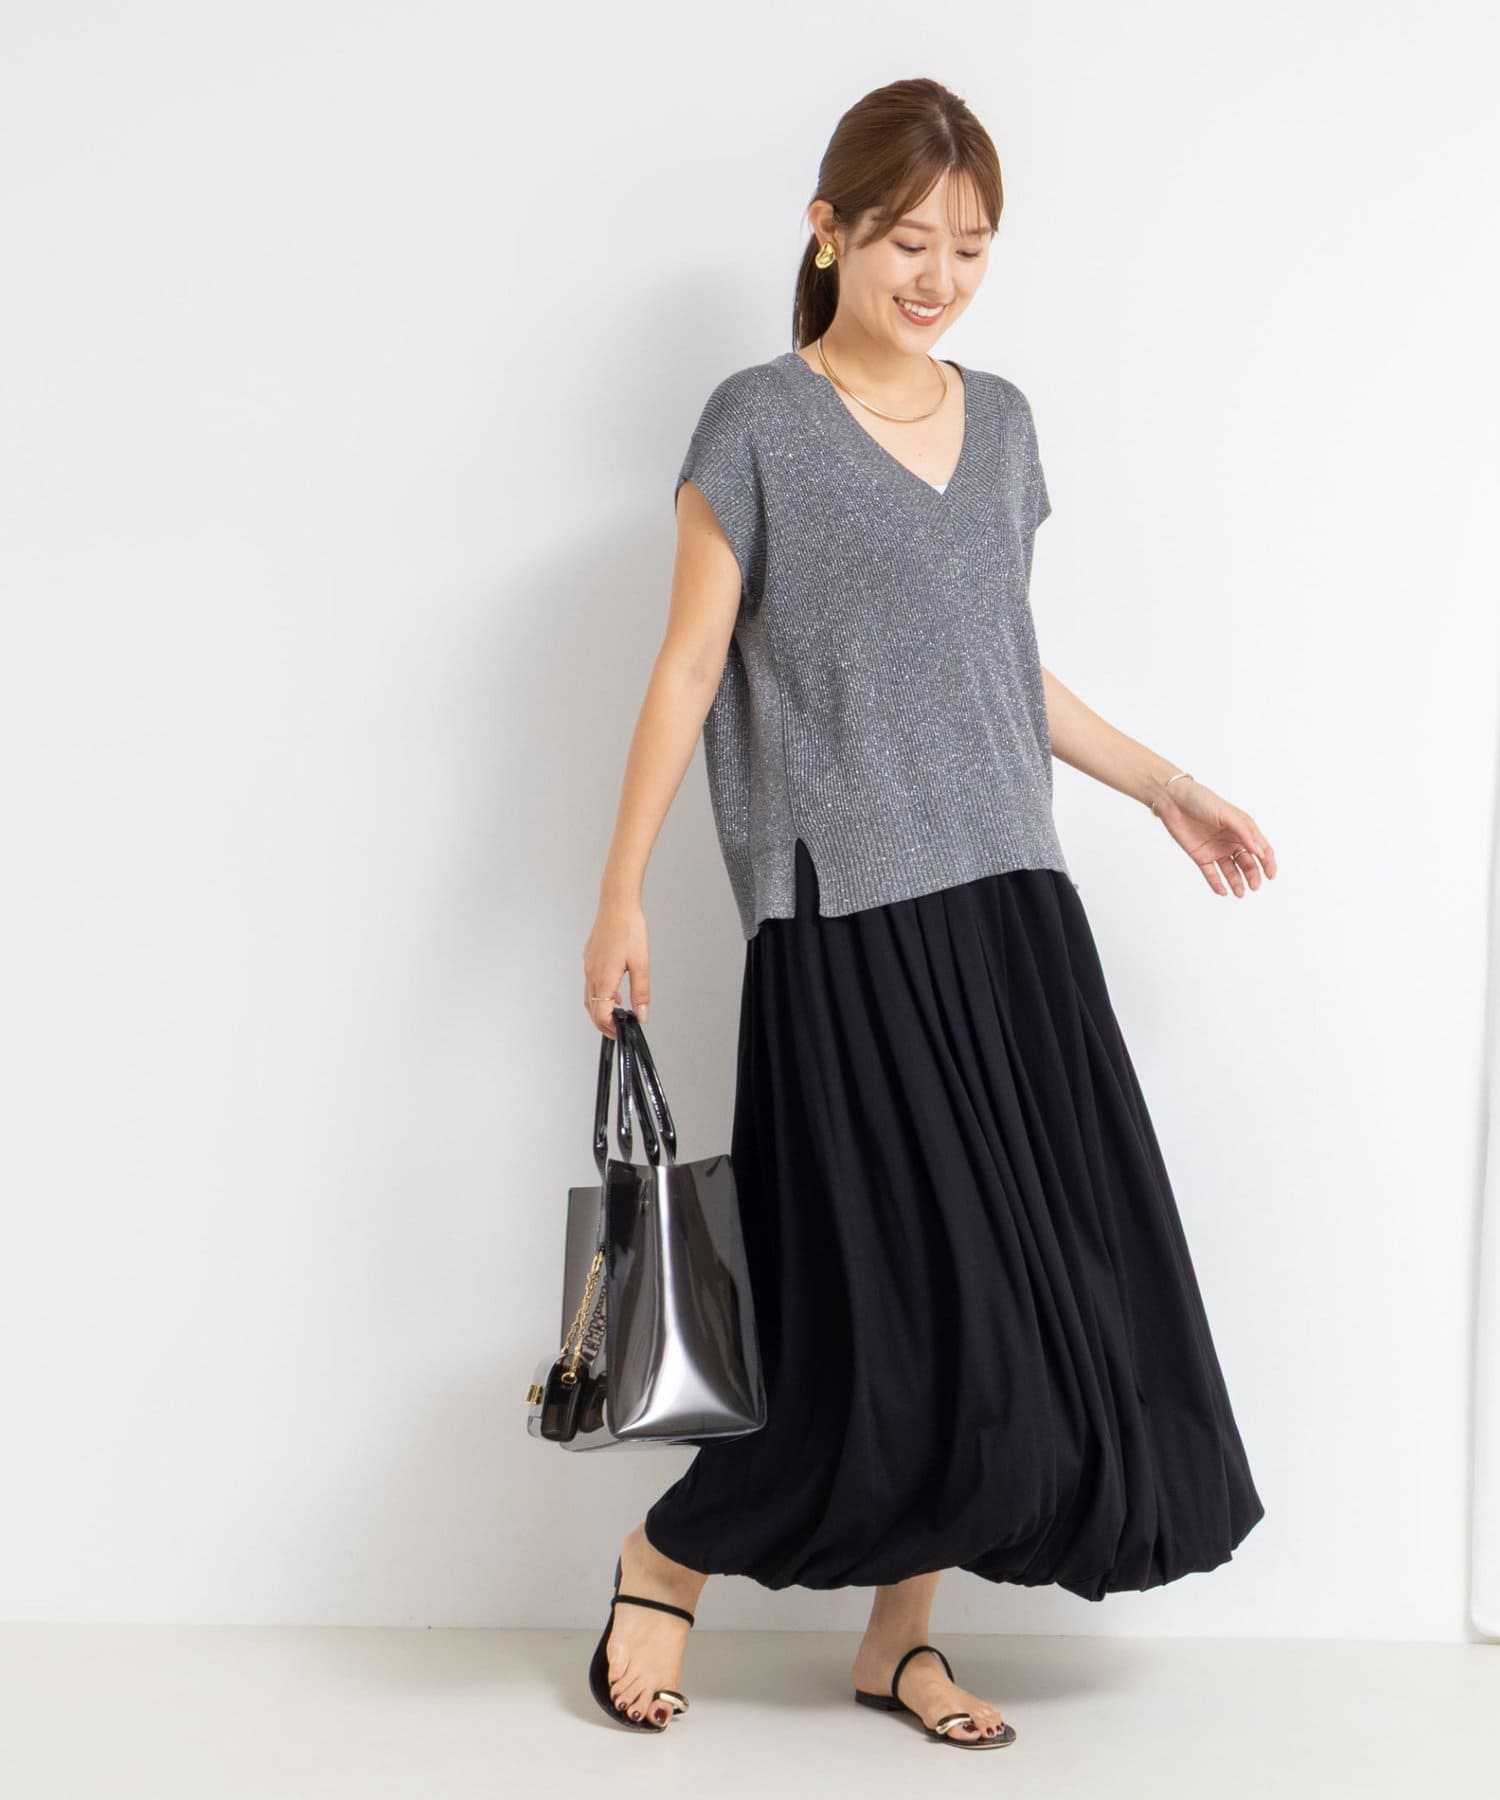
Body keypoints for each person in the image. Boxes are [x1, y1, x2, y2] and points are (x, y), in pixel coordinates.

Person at [580, 76, 1270, 1747]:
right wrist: (617, 893)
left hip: (1013, 905)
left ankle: (900, 1642)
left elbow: (997, 664)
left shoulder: (1006, 423)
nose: (939, 277)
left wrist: (1164, 784)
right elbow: (687, 666)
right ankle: (667, 1558)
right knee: (883, 1301)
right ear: (829, 232)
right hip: (845, 922)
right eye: (907, 241)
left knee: (1015, 1306)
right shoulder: (757, 422)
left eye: (969, 246)